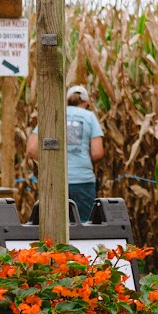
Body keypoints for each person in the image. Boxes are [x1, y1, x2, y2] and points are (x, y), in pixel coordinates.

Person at [29, 83, 104, 225]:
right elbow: (97, 152)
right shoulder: (89, 117)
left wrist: (51, 160)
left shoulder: (53, 114)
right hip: (82, 181)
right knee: (83, 227)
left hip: (54, 181)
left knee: (54, 226)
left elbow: (32, 148)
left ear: (67, 101)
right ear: (86, 103)